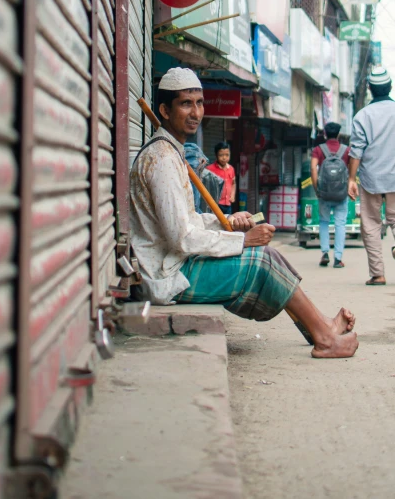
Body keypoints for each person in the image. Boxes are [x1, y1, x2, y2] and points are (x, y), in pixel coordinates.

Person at [130, 67, 359, 359]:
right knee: (261, 261)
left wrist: (227, 224)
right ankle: (325, 338)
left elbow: (187, 221)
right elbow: (182, 239)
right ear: (164, 109)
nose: (196, 112)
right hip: (168, 276)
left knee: (271, 256)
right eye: (185, 103)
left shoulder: (173, 152)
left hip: (176, 262)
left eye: (199, 103)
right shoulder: (162, 159)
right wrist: (243, 241)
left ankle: (321, 327)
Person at [348, 67, 395, 286]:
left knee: (371, 224)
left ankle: (378, 274)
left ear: (370, 89)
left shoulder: (362, 115)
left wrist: (351, 179)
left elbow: (356, 151)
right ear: (390, 87)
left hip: (370, 179)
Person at [310, 122, 350, 268]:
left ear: (325, 134)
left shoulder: (318, 150)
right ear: (339, 134)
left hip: (325, 194)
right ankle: (338, 258)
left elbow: (313, 169)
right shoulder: (346, 150)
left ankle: (325, 253)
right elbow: (351, 170)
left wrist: (317, 189)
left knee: (324, 222)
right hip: (341, 194)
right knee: (340, 224)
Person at [206, 142, 236, 215]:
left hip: (228, 204)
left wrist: (232, 195)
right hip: (216, 204)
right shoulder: (209, 169)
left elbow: (233, 183)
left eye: (227, 155)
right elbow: (206, 186)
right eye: (221, 155)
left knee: (227, 223)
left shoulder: (231, 169)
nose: (224, 158)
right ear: (216, 155)